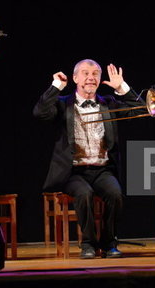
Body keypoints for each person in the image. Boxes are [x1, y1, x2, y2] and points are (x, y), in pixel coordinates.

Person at [33, 59, 144, 259]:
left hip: (102, 169)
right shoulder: (62, 104)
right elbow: (39, 113)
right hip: (73, 172)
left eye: (95, 74)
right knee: (84, 194)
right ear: (75, 78)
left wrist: (122, 87)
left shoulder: (109, 103)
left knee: (115, 194)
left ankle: (109, 243)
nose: (90, 78)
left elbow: (142, 110)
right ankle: (88, 244)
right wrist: (55, 87)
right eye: (85, 73)